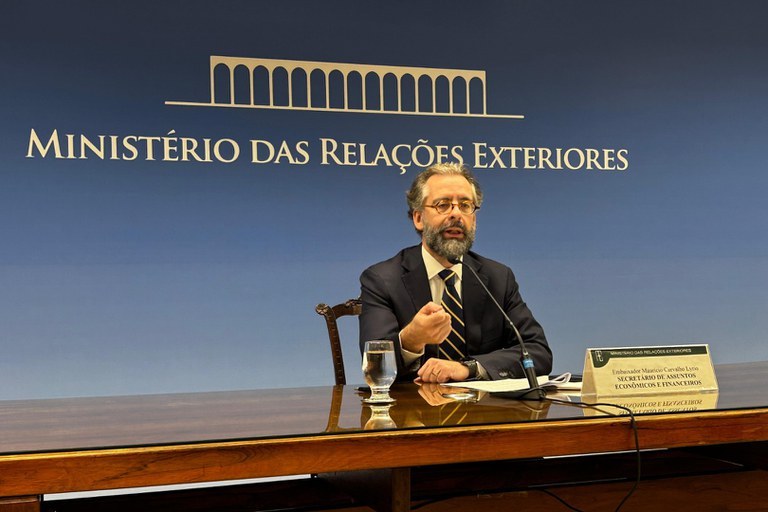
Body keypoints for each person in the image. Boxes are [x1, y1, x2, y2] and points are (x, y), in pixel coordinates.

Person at [359, 162, 552, 383]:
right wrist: (411, 339)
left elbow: (537, 352)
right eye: (443, 205)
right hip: (413, 403)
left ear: (474, 218)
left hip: (484, 404)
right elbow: (374, 366)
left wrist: (469, 368)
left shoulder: (498, 278)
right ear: (418, 218)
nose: (456, 214)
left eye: (465, 205)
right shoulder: (383, 280)